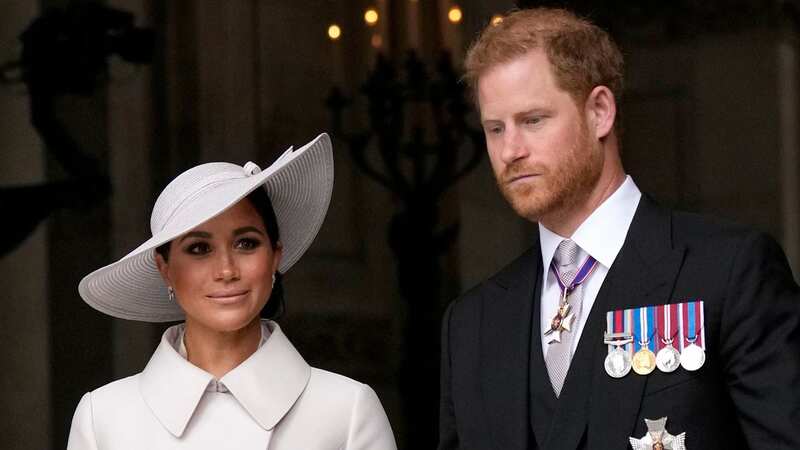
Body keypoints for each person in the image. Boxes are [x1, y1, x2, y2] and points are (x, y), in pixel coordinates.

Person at [439, 8, 800, 450]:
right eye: (495, 129)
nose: (510, 150)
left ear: (600, 112)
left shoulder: (729, 272)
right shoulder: (472, 324)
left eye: (533, 120)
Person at [68, 133, 397, 449]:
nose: (226, 270)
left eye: (246, 243)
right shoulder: (104, 417)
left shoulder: (347, 410)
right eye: (199, 248)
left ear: (275, 256)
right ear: (164, 268)